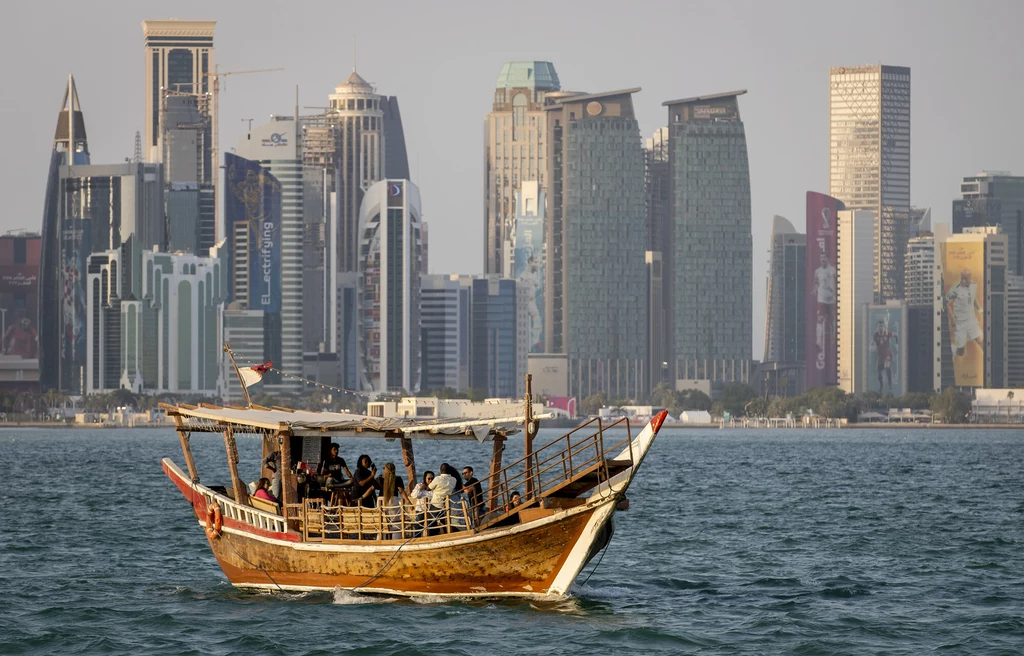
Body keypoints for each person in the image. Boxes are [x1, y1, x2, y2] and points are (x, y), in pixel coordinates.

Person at [946, 268, 984, 358]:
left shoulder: (973, 286)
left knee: (981, 342)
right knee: (961, 352)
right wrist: (952, 319)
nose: (963, 280)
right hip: (960, 322)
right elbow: (945, 302)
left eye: (965, 278)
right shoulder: (955, 289)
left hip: (971, 321)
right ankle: (954, 348)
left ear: (970, 278)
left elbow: (973, 299)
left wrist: (979, 310)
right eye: (962, 278)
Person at [812, 251, 836, 372]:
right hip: (821, 299)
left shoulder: (833, 270)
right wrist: (814, 290)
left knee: (832, 322)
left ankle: (833, 339)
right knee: (820, 320)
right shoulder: (817, 271)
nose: (822, 259)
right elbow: (816, 283)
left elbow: (837, 283)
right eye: (821, 257)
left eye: (824, 257)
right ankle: (818, 343)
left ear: (827, 259)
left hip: (831, 299)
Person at [376, 462, 412, 539]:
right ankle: (395, 539)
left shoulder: (379, 478)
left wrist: (362, 497)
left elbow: (371, 488)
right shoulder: (397, 479)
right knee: (396, 523)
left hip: (381, 501)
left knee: (382, 522)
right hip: (392, 501)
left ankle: (380, 539)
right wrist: (409, 502)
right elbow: (401, 491)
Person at [428, 464, 456, 534]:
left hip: (436, 503)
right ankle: (446, 534)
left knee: (432, 522)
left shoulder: (438, 479)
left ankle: (432, 536)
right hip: (446, 505)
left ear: (441, 470)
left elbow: (429, 488)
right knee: (444, 521)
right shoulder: (454, 480)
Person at [872, 320, 899, 394]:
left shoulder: (887, 334)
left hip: (887, 354)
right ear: (878, 327)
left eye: (882, 326)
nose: (881, 328)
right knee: (879, 372)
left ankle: (890, 384)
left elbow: (896, 335)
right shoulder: (876, 335)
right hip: (880, 356)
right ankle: (881, 386)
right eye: (879, 326)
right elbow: (873, 343)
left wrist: (896, 344)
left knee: (887, 367)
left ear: (884, 327)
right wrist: (873, 346)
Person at [410, 471, 434, 537]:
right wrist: (420, 489)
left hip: (430, 510)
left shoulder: (433, 488)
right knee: (418, 527)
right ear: (425, 478)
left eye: (432, 479)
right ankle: (416, 539)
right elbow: (413, 495)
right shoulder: (419, 485)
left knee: (432, 527)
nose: (430, 480)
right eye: (429, 478)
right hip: (420, 509)